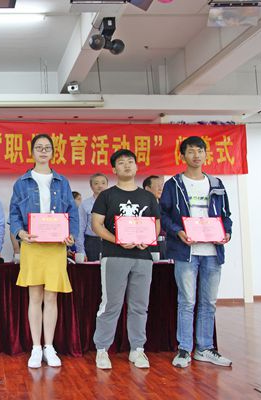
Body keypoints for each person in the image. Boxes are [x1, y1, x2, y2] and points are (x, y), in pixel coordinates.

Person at [160, 136, 233, 368]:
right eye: (191, 151)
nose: (196, 155)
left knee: (208, 302)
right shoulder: (174, 184)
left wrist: (227, 233)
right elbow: (163, 215)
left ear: (206, 154)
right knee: (187, 301)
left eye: (200, 151)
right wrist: (178, 231)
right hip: (186, 252)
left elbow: (226, 216)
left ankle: (205, 348)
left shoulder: (216, 183)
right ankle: (184, 349)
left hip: (212, 251)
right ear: (182, 156)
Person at [9, 134, 79, 368]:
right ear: (32, 152)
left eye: (47, 148)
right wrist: (20, 233)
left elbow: (72, 212)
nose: (43, 151)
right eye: (38, 147)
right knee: (35, 297)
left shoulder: (62, 181)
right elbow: (14, 214)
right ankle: (36, 347)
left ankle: (49, 346)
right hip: (33, 245)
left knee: (51, 297)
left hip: (56, 246)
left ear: (52, 152)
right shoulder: (22, 182)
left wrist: (71, 235)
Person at [91, 149, 160, 370]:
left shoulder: (148, 197)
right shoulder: (107, 195)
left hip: (143, 257)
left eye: (130, 162)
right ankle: (102, 349)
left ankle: (137, 349)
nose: (127, 165)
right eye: (121, 163)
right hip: (114, 256)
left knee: (140, 305)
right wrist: (118, 240)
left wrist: (148, 240)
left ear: (137, 167)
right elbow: (96, 225)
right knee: (111, 304)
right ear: (114, 169)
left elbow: (156, 224)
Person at [76, 173, 108, 262]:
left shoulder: (113, 203)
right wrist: (81, 251)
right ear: (91, 186)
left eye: (103, 183)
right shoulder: (84, 204)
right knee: (92, 269)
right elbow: (80, 228)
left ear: (107, 185)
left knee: (109, 269)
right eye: (96, 183)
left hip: (109, 242)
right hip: (91, 243)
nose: (100, 186)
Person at [143, 175, 166, 259]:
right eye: (157, 186)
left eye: (161, 186)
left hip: (165, 243)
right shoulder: (141, 205)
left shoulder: (166, 205)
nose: (160, 189)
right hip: (147, 244)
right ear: (147, 188)